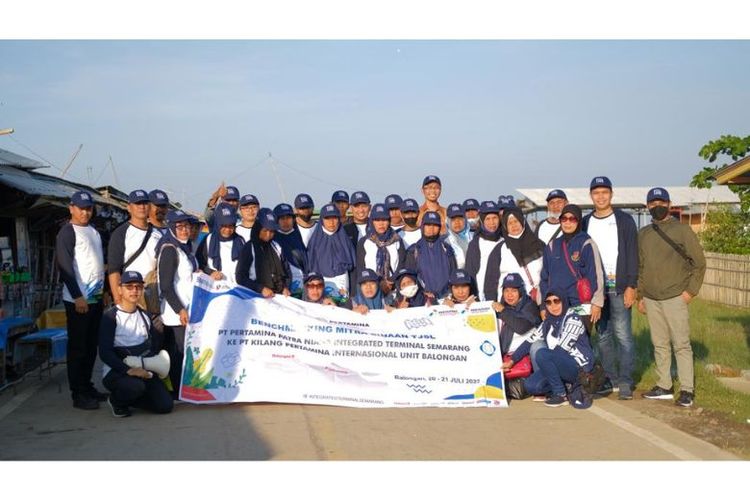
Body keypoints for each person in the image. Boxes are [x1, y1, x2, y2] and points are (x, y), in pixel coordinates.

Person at [637, 187, 706, 408]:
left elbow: (699, 263)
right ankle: (664, 385)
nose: (657, 206)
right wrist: (640, 295)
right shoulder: (644, 234)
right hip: (651, 297)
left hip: (676, 295)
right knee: (659, 344)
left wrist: (690, 291)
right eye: (653, 203)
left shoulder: (682, 230)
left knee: (681, 344)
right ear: (647, 206)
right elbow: (641, 266)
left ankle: (687, 390)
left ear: (669, 204)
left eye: (661, 202)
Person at [582, 176, 639, 400]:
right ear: (591, 196)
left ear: (611, 194)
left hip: (619, 286)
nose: (601, 197)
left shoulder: (624, 220)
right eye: (596, 193)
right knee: (603, 336)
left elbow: (632, 254)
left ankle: (625, 381)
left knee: (623, 335)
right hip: (596, 290)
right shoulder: (585, 222)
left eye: (604, 192)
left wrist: (632, 285)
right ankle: (610, 378)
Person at [56, 190, 107, 410]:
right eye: (81, 208)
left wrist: (104, 293)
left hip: (95, 298)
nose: (85, 212)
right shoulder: (67, 232)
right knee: (78, 348)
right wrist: (77, 296)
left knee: (91, 346)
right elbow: (65, 268)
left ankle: (87, 386)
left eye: (88, 208)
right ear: (71, 208)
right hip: (78, 300)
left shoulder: (93, 231)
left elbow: (98, 264)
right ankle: (78, 393)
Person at [98, 271, 173, 418]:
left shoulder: (146, 316)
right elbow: (105, 353)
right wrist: (129, 370)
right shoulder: (110, 317)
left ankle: (133, 397)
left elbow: (154, 348)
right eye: (129, 287)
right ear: (120, 289)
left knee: (165, 406)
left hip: (144, 368)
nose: (134, 291)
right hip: (117, 370)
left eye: (138, 287)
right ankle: (117, 401)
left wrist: (159, 333)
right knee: (135, 387)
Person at [506, 290, 595, 408]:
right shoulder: (548, 322)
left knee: (542, 354)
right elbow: (530, 341)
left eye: (556, 301)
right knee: (531, 386)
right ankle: (567, 386)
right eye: (548, 302)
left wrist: (547, 365)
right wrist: (511, 361)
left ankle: (561, 394)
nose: (553, 306)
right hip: (558, 364)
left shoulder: (573, 318)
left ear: (564, 301)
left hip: (578, 367)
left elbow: (561, 350)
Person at [540, 204, 605, 332]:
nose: (568, 223)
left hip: (580, 305)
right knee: (557, 341)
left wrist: (597, 303)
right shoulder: (552, 245)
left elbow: (596, 274)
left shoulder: (586, 243)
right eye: (564, 219)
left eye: (572, 219)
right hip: (556, 305)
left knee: (580, 341)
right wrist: (543, 306)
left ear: (578, 221)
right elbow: (544, 278)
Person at [156, 209, 197, 398]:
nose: (185, 230)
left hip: (186, 308)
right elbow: (166, 285)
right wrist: (180, 309)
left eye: (187, 226)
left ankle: (181, 389)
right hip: (175, 313)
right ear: (172, 228)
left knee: (183, 351)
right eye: (179, 227)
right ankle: (176, 391)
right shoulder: (169, 249)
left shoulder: (185, 248)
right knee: (177, 352)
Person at [107, 189, 162, 305]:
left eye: (145, 203)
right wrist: (118, 298)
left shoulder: (158, 233)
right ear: (129, 207)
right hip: (131, 293)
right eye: (138, 203)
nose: (142, 207)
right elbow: (114, 269)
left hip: (156, 292)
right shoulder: (121, 233)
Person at [306, 203, 357, 303]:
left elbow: (352, 264)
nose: (331, 222)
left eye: (334, 218)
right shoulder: (315, 241)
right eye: (327, 218)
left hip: (342, 280)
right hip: (321, 281)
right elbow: (311, 265)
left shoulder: (344, 239)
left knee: (342, 306)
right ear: (322, 220)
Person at [236, 208, 291, 297]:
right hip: (256, 297)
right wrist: (260, 288)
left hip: (278, 297)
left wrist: (285, 287)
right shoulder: (249, 248)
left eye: (272, 231)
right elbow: (240, 277)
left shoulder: (276, 246)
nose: (268, 235)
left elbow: (287, 271)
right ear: (258, 228)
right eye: (265, 230)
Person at [405, 211, 456, 300]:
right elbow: (410, 278)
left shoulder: (447, 248)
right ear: (422, 226)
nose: (431, 229)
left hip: (447, 298)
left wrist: (447, 292)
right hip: (424, 300)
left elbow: (453, 273)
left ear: (439, 227)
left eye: (435, 225)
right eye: (428, 225)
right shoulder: (414, 250)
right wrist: (423, 293)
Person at [498, 206, 545, 304]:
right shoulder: (501, 248)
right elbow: (493, 278)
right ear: (505, 226)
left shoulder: (539, 244)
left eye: (516, 221)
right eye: (510, 223)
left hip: (539, 298)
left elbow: (548, 271)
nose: (514, 225)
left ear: (522, 222)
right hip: (512, 303)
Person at [356, 203, 405, 294]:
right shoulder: (364, 242)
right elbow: (361, 267)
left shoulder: (397, 240)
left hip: (393, 287)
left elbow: (401, 264)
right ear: (372, 221)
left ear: (389, 221)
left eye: (384, 220)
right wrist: (375, 283)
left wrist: (391, 280)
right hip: (370, 289)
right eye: (377, 220)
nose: (381, 223)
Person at [492, 273, 542, 358]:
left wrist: (503, 311)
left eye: (514, 291)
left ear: (521, 291)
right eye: (506, 290)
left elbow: (520, 327)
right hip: (504, 356)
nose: (509, 295)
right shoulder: (503, 306)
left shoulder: (530, 306)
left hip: (525, 355)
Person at [196, 203, 245, 287]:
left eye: (231, 226)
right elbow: (198, 263)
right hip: (215, 289)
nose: (227, 230)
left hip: (237, 288)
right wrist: (211, 272)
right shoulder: (208, 240)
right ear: (218, 223)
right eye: (224, 226)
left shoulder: (240, 241)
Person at [465, 201, 504, 301]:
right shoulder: (476, 243)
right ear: (482, 221)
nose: (492, 223)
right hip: (482, 299)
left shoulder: (505, 241)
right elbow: (470, 273)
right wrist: (474, 297)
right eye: (488, 219)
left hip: (503, 296)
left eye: (495, 218)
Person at [273, 203, 308, 297]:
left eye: (288, 218)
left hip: (303, 287)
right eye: (282, 218)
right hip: (284, 290)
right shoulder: (273, 240)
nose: (286, 221)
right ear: (276, 220)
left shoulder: (297, 236)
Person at [444, 203, 472, 270]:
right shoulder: (444, 242)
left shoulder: (474, 238)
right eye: (453, 219)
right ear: (448, 221)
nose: (457, 222)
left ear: (465, 219)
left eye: (460, 219)